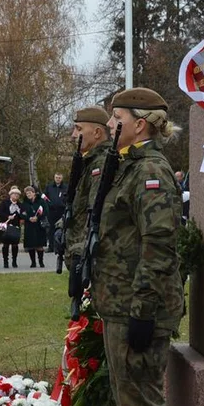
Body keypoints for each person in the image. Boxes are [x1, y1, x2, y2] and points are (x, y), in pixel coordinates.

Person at [90, 88, 183, 406]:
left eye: (116, 118)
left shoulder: (149, 170)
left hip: (137, 311)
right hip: (120, 306)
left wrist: (144, 311)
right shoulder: (127, 166)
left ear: (139, 123)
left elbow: (159, 244)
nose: (110, 125)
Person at [65, 106, 114, 304]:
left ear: (97, 132)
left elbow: (95, 212)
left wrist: (79, 253)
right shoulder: (90, 162)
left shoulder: (101, 164)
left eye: (78, 129)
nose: (72, 135)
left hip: (90, 257)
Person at [0, 187, 23, 269]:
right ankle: (5, 261)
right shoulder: (5, 203)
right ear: (11, 195)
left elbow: (23, 214)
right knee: (6, 245)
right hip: (6, 226)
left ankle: (14, 261)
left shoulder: (20, 204)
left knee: (15, 245)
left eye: (18, 195)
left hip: (15, 226)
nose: (16, 196)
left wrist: (20, 214)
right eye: (15, 194)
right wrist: (8, 216)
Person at [21, 185, 47, 268]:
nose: (28, 195)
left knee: (39, 245)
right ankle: (33, 262)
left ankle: (41, 261)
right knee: (30, 246)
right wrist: (29, 218)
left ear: (34, 193)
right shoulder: (24, 203)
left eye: (30, 193)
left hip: (39, 225)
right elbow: (22, 213)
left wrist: (38, 217)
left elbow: (46, 211)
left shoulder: (41, 201)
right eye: (27, 193)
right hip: (29, 225)